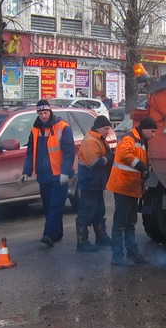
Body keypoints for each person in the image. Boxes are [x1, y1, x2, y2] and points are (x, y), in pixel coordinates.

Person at [22, 99, 76, 247]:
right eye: (40, 113)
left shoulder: (62, 127)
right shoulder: (35, 129)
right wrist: (26, 170)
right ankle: (57, 233)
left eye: (45, 112)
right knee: (47, 206)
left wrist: (65, 172)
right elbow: (30, 151)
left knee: (55, 206)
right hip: (43, 175)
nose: (43, 116)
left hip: (59, 175)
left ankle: (49, 235)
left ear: (50, 111)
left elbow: (69, 152)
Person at [106, 116, 157, 267]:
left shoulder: (141, 142)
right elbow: (125, 155)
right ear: (145, 129)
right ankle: (117, 256)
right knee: (120, 223)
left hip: (132, 188)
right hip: (123, 187)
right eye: (152, 131)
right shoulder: (129, 138)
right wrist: (141, 166)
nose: (154, 135)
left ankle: (132, 253)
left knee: (130, 223)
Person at [74, 115, 115, 252]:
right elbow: (95, 163)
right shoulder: (91, 141)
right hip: (89, 183)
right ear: (98, 128)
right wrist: (110, 157)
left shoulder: (99, 139)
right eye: (106, 128)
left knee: (98, 210)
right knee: (86, 211)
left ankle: (101, 237)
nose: (108, 131)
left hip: (96, 183)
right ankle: (82, 242)